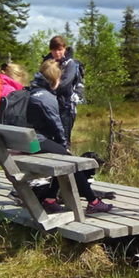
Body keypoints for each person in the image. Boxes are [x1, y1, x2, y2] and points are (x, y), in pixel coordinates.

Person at [27, 59, 112, 216]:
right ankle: (93, 202)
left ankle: (50, 200)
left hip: (28, 143)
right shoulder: (46, 98)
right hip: (36, 143)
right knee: (70, 161)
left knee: (62, 160)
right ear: (54, 79)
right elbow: (57, 125)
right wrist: (64, 145)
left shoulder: (32, 91)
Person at [42, 36, 85, 142]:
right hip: (48, 106)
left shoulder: (70, 64)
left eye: (60, 50)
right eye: (54, 50)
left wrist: (46, 88)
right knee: (47, 138)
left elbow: (63, 85)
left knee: (63, 139)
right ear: (50, 50)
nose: (57, 53)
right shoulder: (46, 63)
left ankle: (65, 155)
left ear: (64, 49)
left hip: (65, 107)